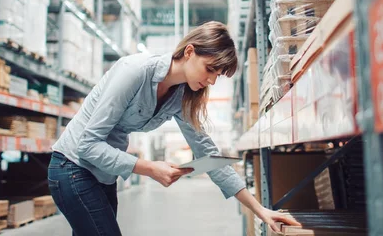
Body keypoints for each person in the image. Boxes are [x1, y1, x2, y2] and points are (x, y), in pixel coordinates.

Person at [48, 21, 300, 235]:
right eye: (210, 69)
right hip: (73, 167)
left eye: (218, 75)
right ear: (189, 51)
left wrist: (260, 210)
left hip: (103, 174)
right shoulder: (134, 71)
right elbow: (87, 145)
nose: (211, 80)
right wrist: (149, 168)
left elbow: (208, 156)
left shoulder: (183, 96)